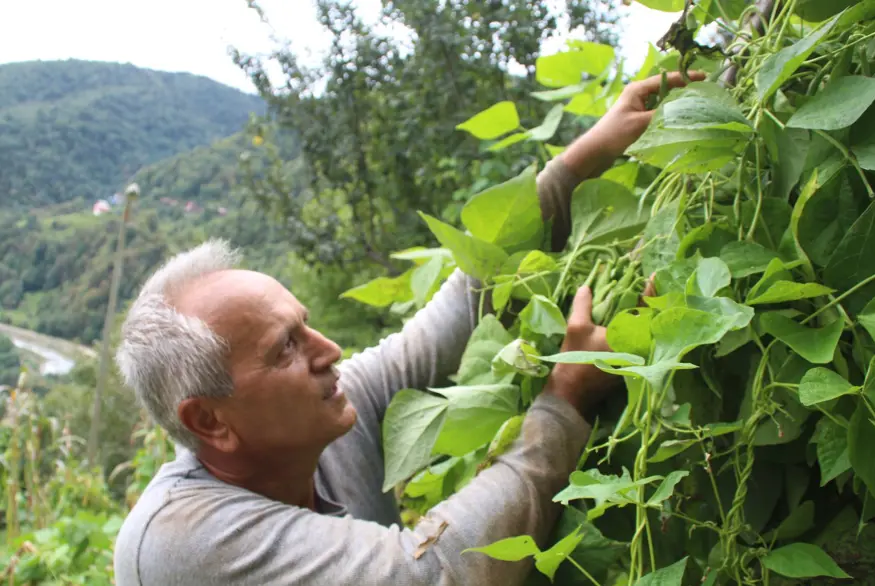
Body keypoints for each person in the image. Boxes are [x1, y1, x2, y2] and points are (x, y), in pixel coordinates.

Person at [112, 71, 703, 586]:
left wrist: (584, 158)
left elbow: (462, 312)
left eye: (305, 326)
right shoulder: (179, 542)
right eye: (284, 349)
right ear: (209, 420)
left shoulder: (317, 419)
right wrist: (565, 398)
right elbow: (433, 572)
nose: (329, 350)